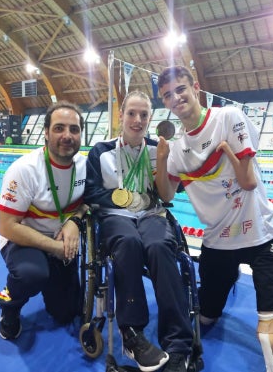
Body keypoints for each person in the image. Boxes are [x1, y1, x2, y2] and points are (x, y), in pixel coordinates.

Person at [155, 65, 273, 372]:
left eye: (180, 89)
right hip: (218, 242)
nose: (176, 98)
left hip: (261, 234)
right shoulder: (177, 151)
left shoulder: (228, 118)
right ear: (164, 103)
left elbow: (248, 181)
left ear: (196, 88)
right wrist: (162, 162)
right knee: (206, 317)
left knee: (271, 334)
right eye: (167, 95)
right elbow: (165, 195)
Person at [84, 91, 194, 372]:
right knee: (129, 242)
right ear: (122, 115)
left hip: (151, 215)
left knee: (160, 247)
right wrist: (125, 199)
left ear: (150, 118)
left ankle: (178, 343)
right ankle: (132, 333)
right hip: (116, 217)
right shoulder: (101, 150)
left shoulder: (157, 149)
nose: (137, 120)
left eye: (144, 115)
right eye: (132, 113)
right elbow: (92, 191)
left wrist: (168, 161)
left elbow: (173, 190)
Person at [0, 101, 89, 341]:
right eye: (59, 128)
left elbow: (89, 203)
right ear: (46, 132)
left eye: (74, 129)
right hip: (23, 240)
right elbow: (7, 226)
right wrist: (55, 248)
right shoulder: (24, 170)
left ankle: (53, 279)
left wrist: (74, 221)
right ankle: (9, 305)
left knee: (66, 314)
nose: (67, 136)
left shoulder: (85, 166)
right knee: (32, 275)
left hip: (60, 241)